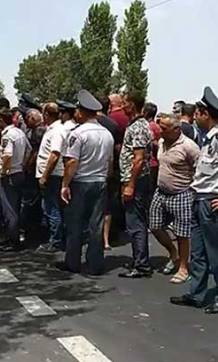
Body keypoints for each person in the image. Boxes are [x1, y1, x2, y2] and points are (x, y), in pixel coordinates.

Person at [170, 87, 218, 314]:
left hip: (213, 201)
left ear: (206, 113)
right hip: (200, 199)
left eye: (198, 113)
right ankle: (197, 294)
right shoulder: (212, 137)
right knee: (198, 253)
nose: (195, 117)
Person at [57, 90, 114, 275]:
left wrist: (65, 184)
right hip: (100, 181)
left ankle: (72, 262)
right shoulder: (107, 134)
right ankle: (94, 263)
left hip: (81, 181)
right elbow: (111, 161)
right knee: (95, 225)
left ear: (81, 111)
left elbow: (72, 162)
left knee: (75, 223)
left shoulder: (78, 134)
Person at [149, 114, 200, 283]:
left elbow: (199, 170)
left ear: (176, 129)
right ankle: (173, 253)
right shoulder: (162, 142)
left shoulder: (189, 147)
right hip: (161, 192)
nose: (160, 131)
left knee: (182, 234)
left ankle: (183, 268)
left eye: (164, 128)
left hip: (182, 193)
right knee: (155, 227)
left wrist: (193, 191)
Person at [117, 91, 154, 279]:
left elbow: (139, 159)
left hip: (136, 180)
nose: (122, 106)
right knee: (133, 221)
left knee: (135, 223)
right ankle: (138, 260)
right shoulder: (134, 126)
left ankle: (141, 264)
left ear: (132, 105)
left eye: (124, 103)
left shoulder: (138, 127)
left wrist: (130, 184)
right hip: (133, 178)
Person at [0, 107, 31, 252]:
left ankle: (13, 240)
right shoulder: (19, 133)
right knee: (15, 207)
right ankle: (11, 236)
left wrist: (3, 171)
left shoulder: (8, 135)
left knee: (9, 209)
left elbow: (7, 154)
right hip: (19, 172)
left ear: (1, 120)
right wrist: (23, 164)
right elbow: (29, 150)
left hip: (9, 174)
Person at [36, 102, 66, 253]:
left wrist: (44, 176)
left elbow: (54, 155)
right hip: (51, 175)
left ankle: (56, 241)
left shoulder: (57, 131)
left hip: (52, 175)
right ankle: (55, 239)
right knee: (49, 208)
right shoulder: (53, 129)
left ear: (46, 114)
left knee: (52, 208)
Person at [97, 96, 123, 250]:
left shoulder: (86, 124)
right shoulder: (112, 124)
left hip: (90, 171)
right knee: (107, 205)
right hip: (109, 168)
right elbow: (118, 148)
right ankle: (107, 239)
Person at [20, 108, 46, 237]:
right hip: (36, 169)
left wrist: (27, 164)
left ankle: (30, 227)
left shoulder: (38, 131)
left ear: (33, 119)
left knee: (31, 199)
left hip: (34, 170)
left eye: (27, 119)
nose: (26, 122)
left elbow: (35, 151)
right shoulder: (38, 130)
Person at [144, 102, 161, 193]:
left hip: (151, 162)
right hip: (155, 163)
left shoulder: (148, 126)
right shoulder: (157, 126)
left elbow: (155, 144)